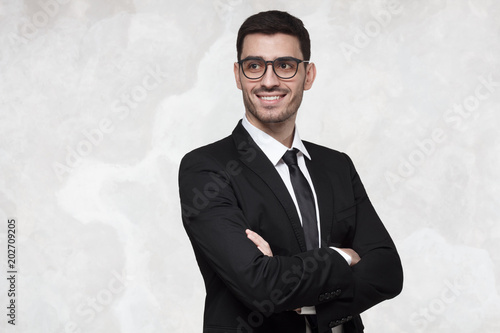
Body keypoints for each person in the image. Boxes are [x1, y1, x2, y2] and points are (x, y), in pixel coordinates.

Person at [178, 10, 403, 333]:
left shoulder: (337, 165)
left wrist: (301, 294)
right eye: (254, 66)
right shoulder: (206, 168)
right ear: (238, 75)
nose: (269, 81)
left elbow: (388, 272)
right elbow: (261, 286)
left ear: (307, 75)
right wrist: (343, 256)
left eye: (284, 65)